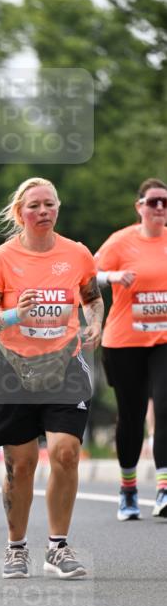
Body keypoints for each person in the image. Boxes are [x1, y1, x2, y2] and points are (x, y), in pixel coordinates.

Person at [0, 177, 103, 579]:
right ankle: (16, 549)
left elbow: (93, 297)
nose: (43, 211)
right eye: (34, 206)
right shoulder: (1, 258)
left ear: (58, 208)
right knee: (22, 463)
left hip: (64, 363)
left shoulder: (77, 254)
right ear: (20, 213)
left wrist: (94, 325)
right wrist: (15, 315)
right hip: (12, 368)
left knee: (66, 451)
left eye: (49, 204)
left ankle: (58, 547)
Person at [95, 177, 167, 520]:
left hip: (163, 341)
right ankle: (128, 490)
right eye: (153, 201)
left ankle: (165, 489)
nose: (159, 208)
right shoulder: (121, 242)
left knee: (166, 408)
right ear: (139, 206)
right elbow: (87, 274)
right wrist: (111, 277)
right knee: (132, 418)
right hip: (124, 341)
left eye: (165, 202)